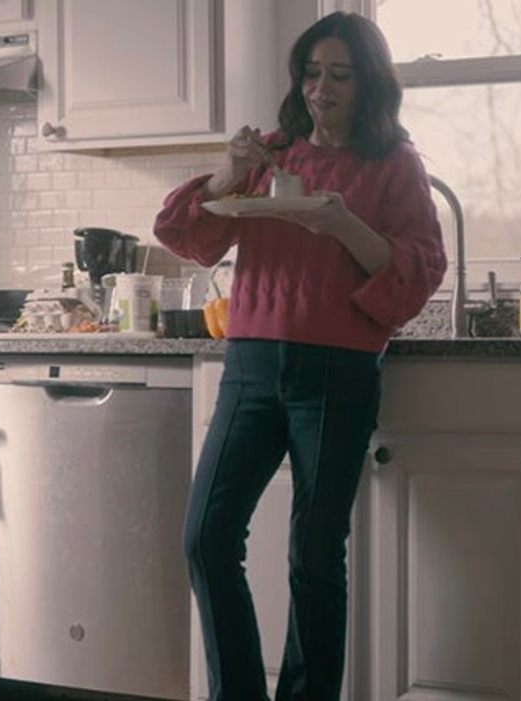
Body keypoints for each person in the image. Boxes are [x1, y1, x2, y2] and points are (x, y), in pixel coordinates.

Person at [153, 12, 448, 701]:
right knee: (204, 536)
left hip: (337, 370)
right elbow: (184, 233)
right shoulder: (272, 155)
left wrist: (341, 222)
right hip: (250, 365)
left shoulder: (394, 164)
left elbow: (419, 271)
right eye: (311, 73)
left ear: (367, 82)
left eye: (339, 75)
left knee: (313, 555)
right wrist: (231, 169)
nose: (321, 88)